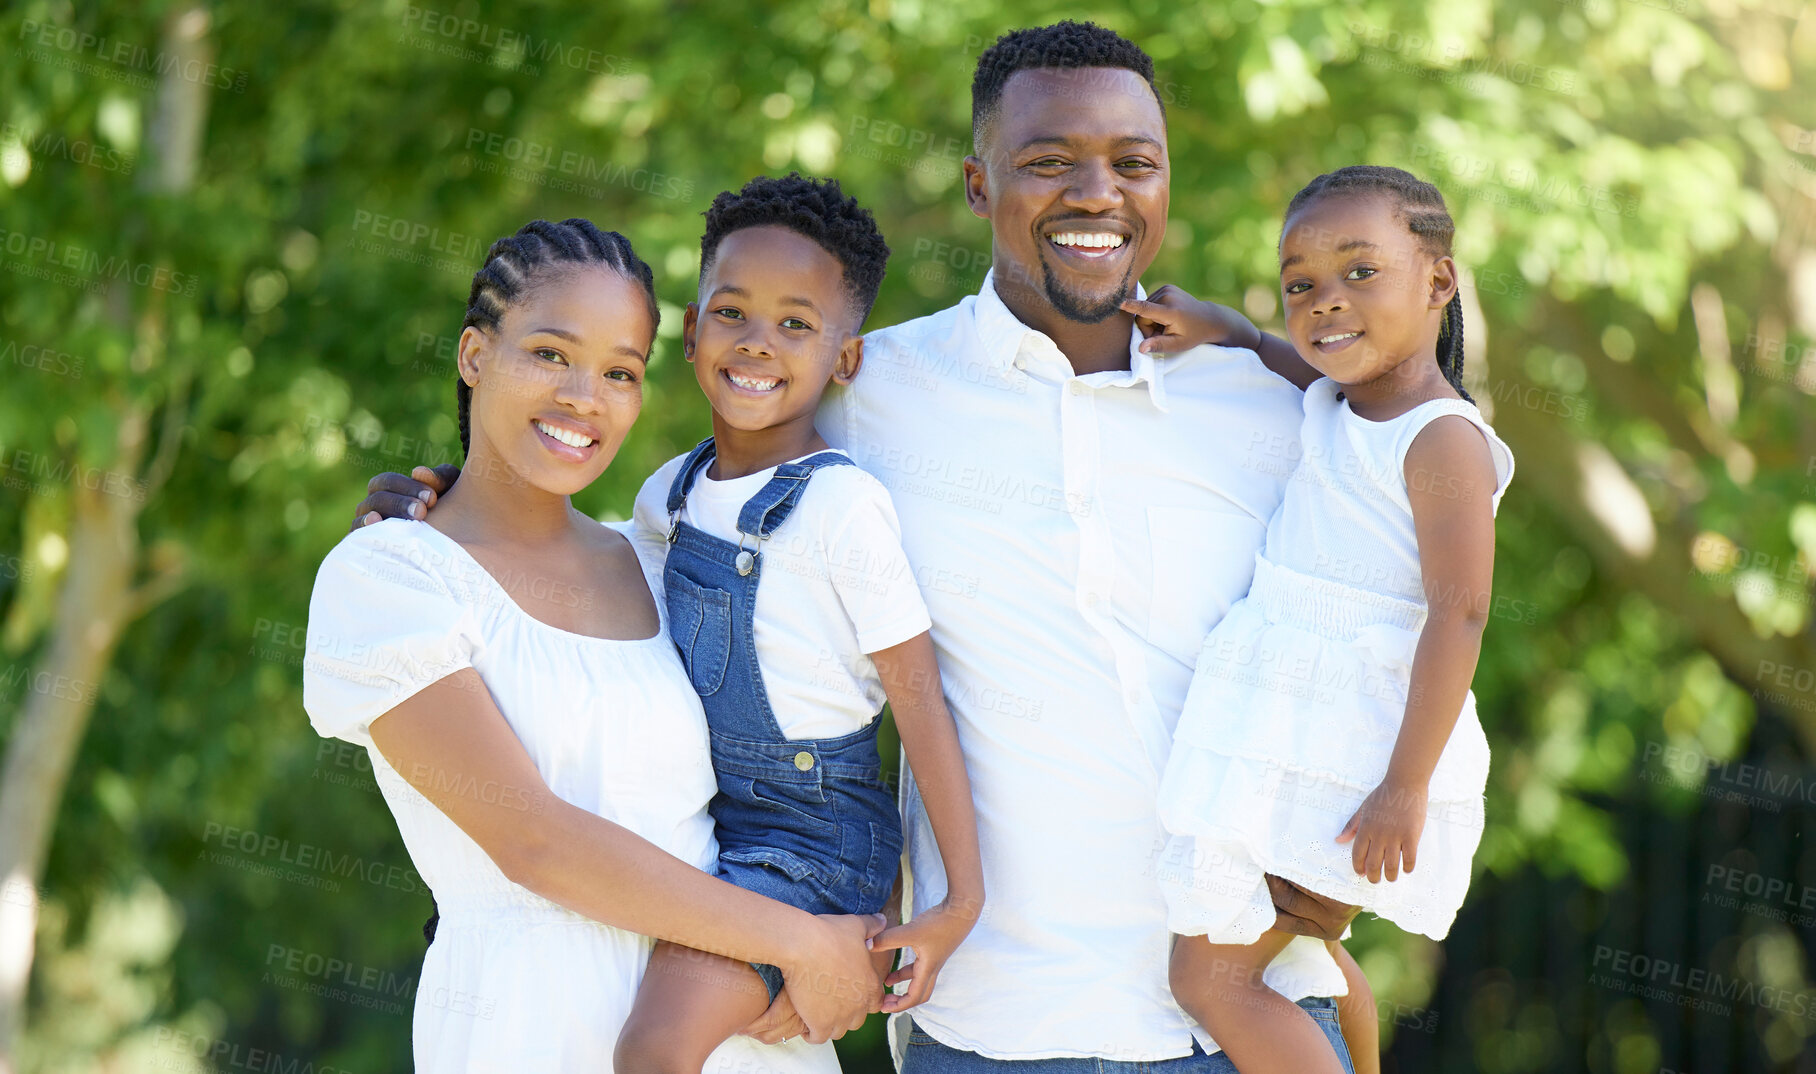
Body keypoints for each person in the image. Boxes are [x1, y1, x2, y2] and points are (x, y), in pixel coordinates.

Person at [353, 21, 1370, 1071]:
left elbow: (1405, 582)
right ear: (978, 185)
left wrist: (1363, 850)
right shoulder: (863, 387)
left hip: (1250, 1017)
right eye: (1047, 161)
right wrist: (449, 501)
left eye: (1132, 163)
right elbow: (673, 538)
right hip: (986, 1032)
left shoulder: (1266, 408)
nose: (1095, 193)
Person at [303, 218, 884, 1073]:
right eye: (550, 353)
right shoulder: (393, 577)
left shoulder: (663, 559)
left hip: (739, 1036)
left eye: (621, 372)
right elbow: (535, 842)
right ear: (473, 356)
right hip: (533, 1028)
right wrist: (804, 942)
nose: (586, 396)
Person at [613, 175, 986, 1072]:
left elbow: (921, 701)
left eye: (795, 325)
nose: (756, 343)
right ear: (693, 329)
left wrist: (955, 904)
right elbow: (572, 571)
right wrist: (445, 498)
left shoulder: (842, 507)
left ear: (843, 359)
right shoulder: (669, 493)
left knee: (656, 1048)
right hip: (708, 821)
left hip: (817, 841)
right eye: (732, 313)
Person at [1155, 167, 1514, 1073]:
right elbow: (1285, 357)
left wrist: (1404, 786)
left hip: (1351, 746)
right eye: (1300, 283)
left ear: (1438, 283)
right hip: (1287, 721)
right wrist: (1227, 329)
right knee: (1300, 944)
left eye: (1361, 273)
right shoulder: (1343, 400)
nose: (1325, 302)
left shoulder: (1440, 437)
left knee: (1209, 978)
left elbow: (1461, 613)